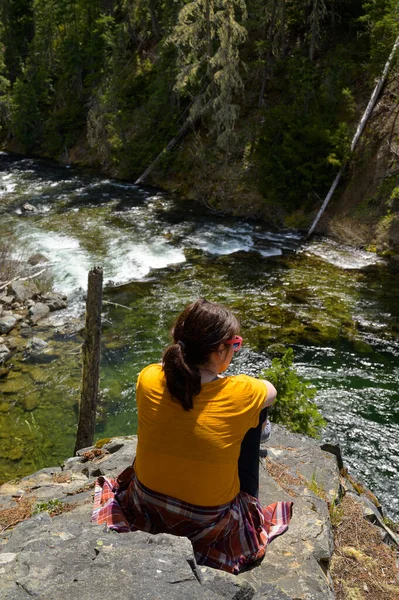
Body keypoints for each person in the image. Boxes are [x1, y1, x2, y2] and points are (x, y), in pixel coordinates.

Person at [92, 298, 292, 574]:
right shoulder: (243, 392)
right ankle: (249, 497)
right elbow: (271, 391)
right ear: (220, 350)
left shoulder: (148, 377)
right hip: (208, 522)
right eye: (234, 345)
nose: (235, 349)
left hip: (146, 505)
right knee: (256, 419)